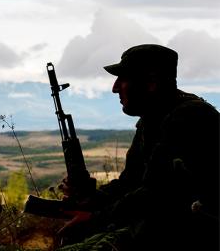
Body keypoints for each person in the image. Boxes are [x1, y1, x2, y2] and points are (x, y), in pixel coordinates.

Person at [59, 44, 219, 250]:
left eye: (123, 79)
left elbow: (157, 194)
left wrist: (95, 218)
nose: (115, 87)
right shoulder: (153, 118)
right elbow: (130, 181)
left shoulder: (189, 118)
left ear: (151, 82)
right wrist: (93, 199)